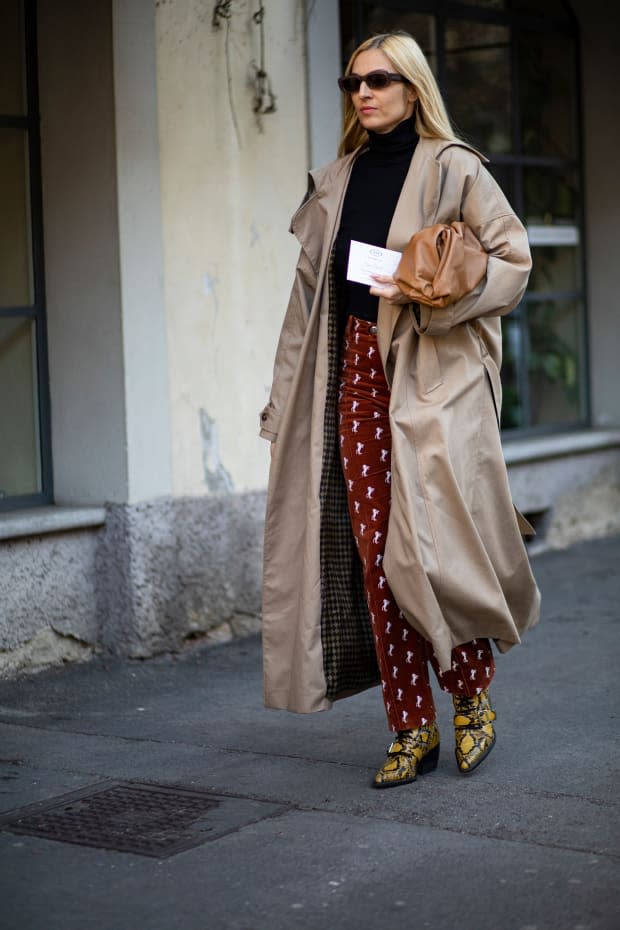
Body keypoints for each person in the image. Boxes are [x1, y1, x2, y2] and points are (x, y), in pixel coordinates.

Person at [259, 31, 540, 788]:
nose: (363, 92)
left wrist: (436, 297)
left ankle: (472, 698)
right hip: (351, 369)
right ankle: (410, 724)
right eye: (353, 80)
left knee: (434, 546)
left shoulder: (454, 167)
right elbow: (304, 302)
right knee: (378, 554)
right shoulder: (336, 180)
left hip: (430, 369)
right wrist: (283, 396)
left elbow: (512, 263)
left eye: (379, 79)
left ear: (413, 88)